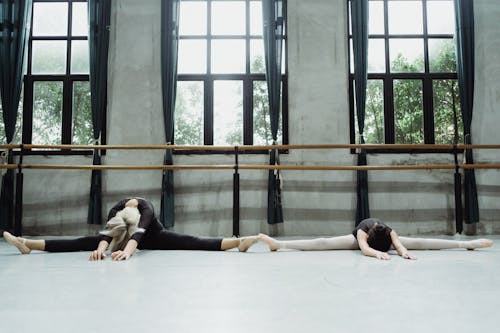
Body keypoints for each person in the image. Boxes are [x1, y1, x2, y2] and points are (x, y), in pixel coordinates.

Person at [1, 197, 258, 261]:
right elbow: (108, 233)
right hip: (123, 238)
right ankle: (27, 244)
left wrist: (127, 253)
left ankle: (239, 242)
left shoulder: (146, 209)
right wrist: (102, 250)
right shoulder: (117, 211)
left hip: (155, 237)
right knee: (82, 241)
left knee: (192, 240)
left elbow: (139, 234)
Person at [258, 217, 494, 260]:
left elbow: (402, 245)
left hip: (383, 238)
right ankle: (280, 244)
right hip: (360, 236)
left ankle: (465, 244)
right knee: (323, 242)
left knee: (420, 243)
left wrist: (403, 253)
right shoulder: (362, 232)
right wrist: (376, 253)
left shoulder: (390, 233)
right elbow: (363, 248)